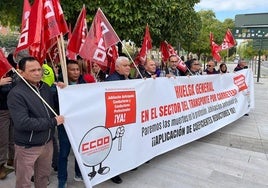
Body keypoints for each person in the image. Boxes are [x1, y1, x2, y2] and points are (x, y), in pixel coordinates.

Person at [7, 56, 64, 188]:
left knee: (43, 177)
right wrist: (53, 122)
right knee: (24, 182)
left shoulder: (44, 88)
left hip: (47, 143)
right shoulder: (16, 94)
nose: (38, 73)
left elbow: (54, 106)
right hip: (28, 147)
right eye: (32, 70)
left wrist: (63, 90)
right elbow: (23, 123)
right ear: (20, 72)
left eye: (39, 69)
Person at [57, 59, 86, 188]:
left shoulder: (83, 83)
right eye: (72, 69)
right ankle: (62, 179)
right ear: (66, 71)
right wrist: (59, 89)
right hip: (65, 125)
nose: (75, 72)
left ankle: (79, 173)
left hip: (80, 123)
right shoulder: (58, 85)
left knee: (80, 150)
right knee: (64, 153)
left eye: (77, 69)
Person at [105, 56, 132, 184]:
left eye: (129, 65)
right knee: (115, 147)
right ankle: (114, 173)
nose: (128, 67)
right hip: (115, 118)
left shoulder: (127, 78)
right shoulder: (112, 80)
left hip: (127, 116)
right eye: (125, 65)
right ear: (117, 67)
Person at [0, 53, 18, 179]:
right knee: (3, 139)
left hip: (13, 109)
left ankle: (12, 160)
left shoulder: (11, 70)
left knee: (13, 138)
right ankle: (1, 166)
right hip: (1, 110)